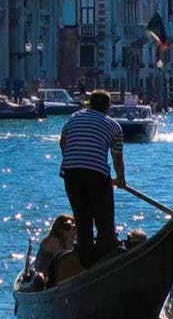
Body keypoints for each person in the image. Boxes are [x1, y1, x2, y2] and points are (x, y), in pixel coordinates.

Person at [59, 89, 125, 267]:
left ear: (89, 104)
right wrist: (120, 178)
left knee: (83, 220)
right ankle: (105, 260)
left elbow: (63, 143)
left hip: (71, 173)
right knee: (104, 220)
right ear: (108, 107)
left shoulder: (74, 118)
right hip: (97, 175)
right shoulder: (114, 126)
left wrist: (72, 159)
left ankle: (87, 262)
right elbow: (117, 157)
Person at [30, 214, 76, 287]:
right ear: (59, 229)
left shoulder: (60, 240)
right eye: (68, 228)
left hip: (50, 272)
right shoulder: (54, 241)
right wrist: (70, 239)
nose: (71, 230)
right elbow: (65, 259)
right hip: (45, 275)